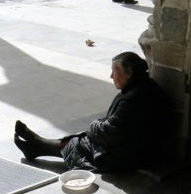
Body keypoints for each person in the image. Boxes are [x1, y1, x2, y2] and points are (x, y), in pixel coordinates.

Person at [14, 52, 168, 173]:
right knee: (83, 139)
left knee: (78, 143)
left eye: (115, 71)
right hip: (135, 147)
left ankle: (37, 144)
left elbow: (110, 133)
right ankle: (36, 146)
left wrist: (94, 125)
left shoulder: (134, 98)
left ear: (129, 73)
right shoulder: (143, 86)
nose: (111, 76)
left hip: (131, 155)